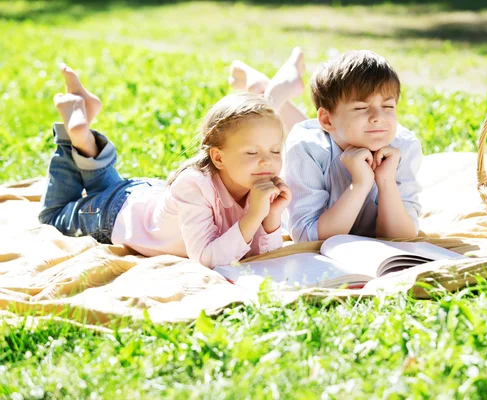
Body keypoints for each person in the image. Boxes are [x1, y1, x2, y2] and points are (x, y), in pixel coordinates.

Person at [38, 58, 300, 268]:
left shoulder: (254, 184)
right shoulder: (195, 186)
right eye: (252, 153)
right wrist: (255, 214)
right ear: (218, 157)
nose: (267, 160)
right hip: (115, 216)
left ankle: (84, 131)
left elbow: (263, 256)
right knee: (52, 216)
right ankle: (70, 136)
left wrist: (272, 216)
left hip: (143, 197)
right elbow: (208, 258)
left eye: (276, 151)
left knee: (104, 188)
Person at [281, 50, 423, 243]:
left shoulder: (404, 146)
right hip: (323, 136)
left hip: (336, 131)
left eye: (388, 107)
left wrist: (386, 181)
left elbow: (402, 237)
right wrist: (359, 184)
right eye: (361, 108)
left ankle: (270, 88)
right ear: (326, 119)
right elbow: (307, 237)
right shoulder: (305, 148)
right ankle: (274, 93)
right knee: (268, 117)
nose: (378, 117)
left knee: (333, 134)